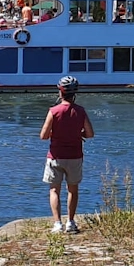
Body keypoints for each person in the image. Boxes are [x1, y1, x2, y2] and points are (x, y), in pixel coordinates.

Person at [40, 76, 95, 234]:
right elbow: (90, 134)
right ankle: (70, 222)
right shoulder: (80, 111)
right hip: (75, 156)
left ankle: (57, 223)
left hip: (55, 156)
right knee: (73, 189)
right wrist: (78, 133)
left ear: (60, 92)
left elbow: (43, 135)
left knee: (54, 190)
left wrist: (55, 133)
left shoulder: (53, 111)